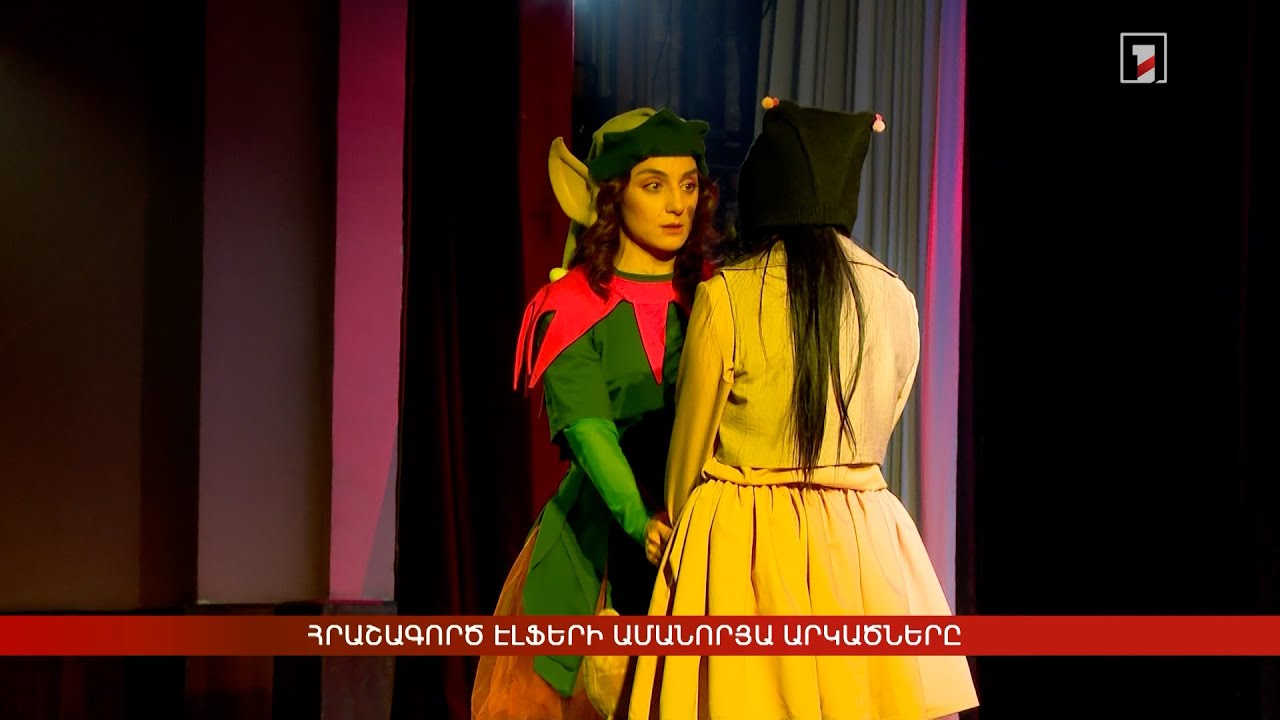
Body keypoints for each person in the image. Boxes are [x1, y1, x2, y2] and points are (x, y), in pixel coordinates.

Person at [627, 99, 980, 719]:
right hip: (860, 536)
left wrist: (675, 518)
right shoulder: (896, 297)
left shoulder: (727, 295)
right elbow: (886, 416)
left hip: (744, 540)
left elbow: (687, 460)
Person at [470, 107, 723, 720]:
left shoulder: (713, 296)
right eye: (654, 185)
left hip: (704, 534)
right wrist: (643, 522)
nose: (677, 205)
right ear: (613, 194)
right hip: (603, 545)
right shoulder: (570, 304)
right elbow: (590, 432)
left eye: (688, 185)